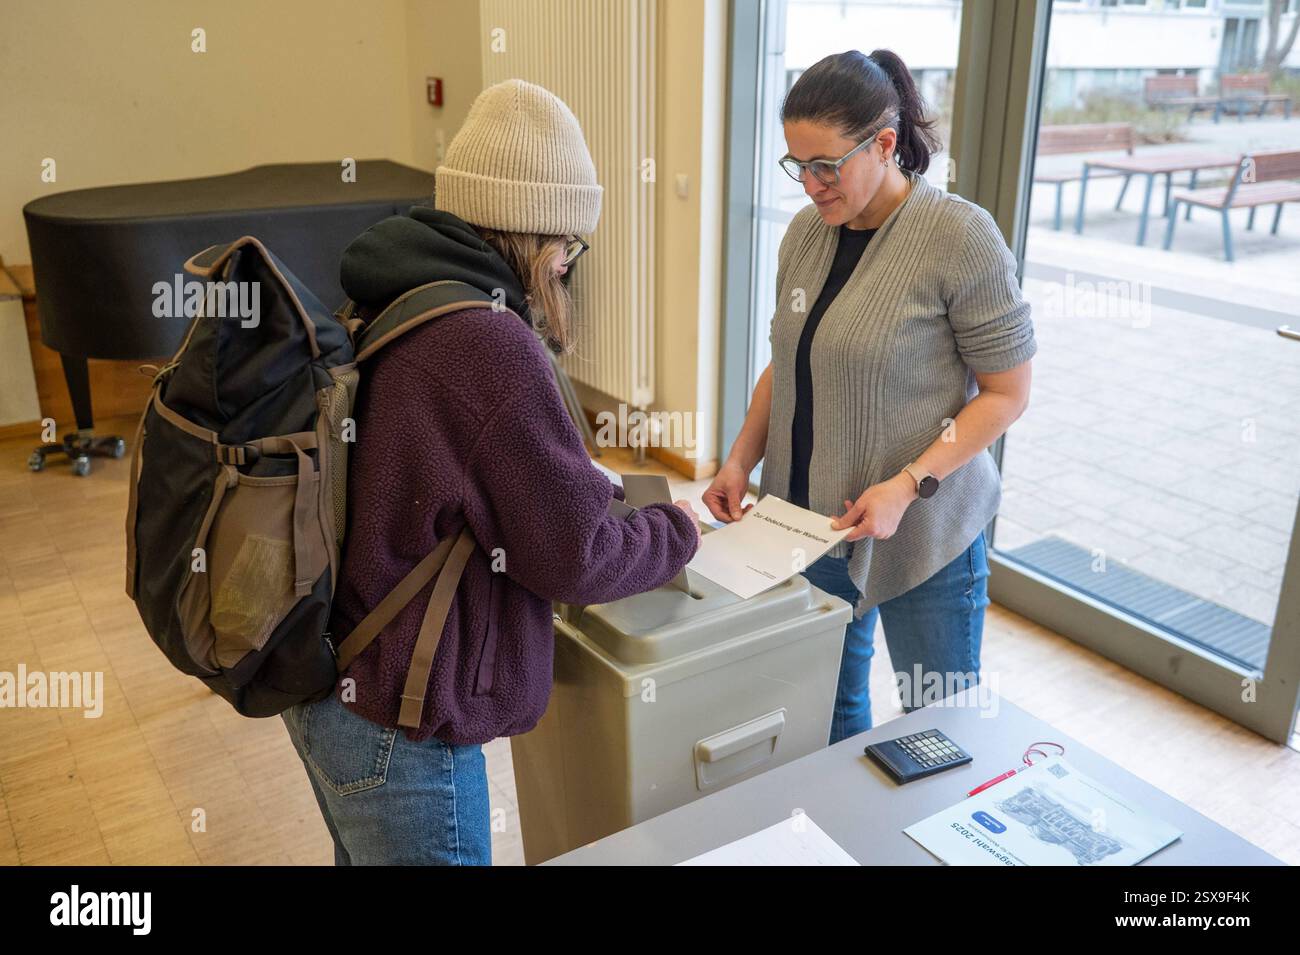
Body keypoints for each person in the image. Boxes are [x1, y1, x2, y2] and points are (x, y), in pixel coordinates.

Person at [281, 79, 701, 865]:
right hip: (400, 725)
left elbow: (472, 473)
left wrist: (585, 486)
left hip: (335, 688)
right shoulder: (490, 343)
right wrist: (679, 529)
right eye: (571, 248)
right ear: (542, 240)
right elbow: (575, 558)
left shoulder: (396, 288)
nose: (569, 268)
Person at [703, 50, 1036, 744]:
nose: (810, 186)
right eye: (797, 165)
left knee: (941, 727)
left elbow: (1006, 392)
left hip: (923, 534)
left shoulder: (960, 237)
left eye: (826, 165)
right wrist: (739, 461)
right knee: (826, 722)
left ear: (885, 144)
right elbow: (788, 361)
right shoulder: (806, 235)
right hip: (809, 525)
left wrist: (908, 485)